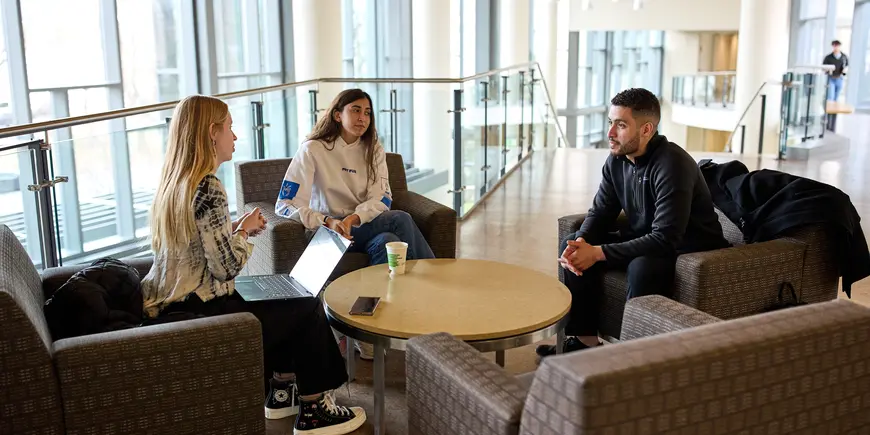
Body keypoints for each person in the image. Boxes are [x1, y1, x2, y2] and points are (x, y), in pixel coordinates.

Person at [141, 95, 366, 435]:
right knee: (305, 306)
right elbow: (226, 267)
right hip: (200, 307)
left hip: (172, 302)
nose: (235, 136)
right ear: (212, 132)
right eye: (230, 128)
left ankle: (281, 393)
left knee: (286, 295)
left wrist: (233, 227)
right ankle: (315, 411)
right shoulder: (208, 187)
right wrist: (245, 234)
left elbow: (194, 243)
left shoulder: (176, 181)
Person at [536, 88, 729, 357]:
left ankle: (631, 358)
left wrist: (598, 253)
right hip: (647, 239)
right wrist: (582, 241)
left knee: (642, 268)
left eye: (621, 125)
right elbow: (601, 212)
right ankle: (584, 344)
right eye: (610, 122)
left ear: (646, 129)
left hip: (688, 249)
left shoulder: (672, 164)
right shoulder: (617, 161)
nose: (610, 133)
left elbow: (666, 237)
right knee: (572, 246)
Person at [275, 88, 435, 359]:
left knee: (386, 241)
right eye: (356, 110)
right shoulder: (313, 149)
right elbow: (285, 204)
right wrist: (327, 220)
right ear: (338, 115)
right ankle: (435, 290)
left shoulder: (373, 149)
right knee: (400, 220)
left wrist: (354, 218)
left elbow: (383, 198)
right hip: (327, 234)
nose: (363, 118)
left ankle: (367, 329)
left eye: (368, 113)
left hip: (362, 227)